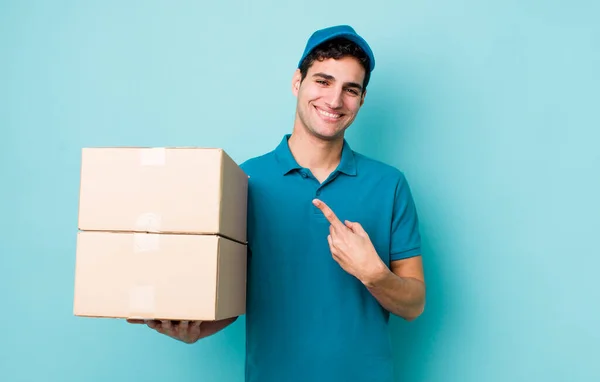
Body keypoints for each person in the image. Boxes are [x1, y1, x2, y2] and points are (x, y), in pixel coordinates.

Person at [129, 25, 426, 381]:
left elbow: (414, 304)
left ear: (361, 100)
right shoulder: (244, 181)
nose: (334, 100)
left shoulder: (389, 184)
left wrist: (373, 274)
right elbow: (231, 296)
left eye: (351, 89)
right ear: (297, 82)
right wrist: (196, 327)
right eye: (323, 81)